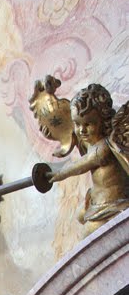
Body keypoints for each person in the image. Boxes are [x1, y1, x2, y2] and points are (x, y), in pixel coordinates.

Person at [48, 84, 129, 231]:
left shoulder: (104, 147)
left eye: (88, 124)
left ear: (103, 121)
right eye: (77, 124)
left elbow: (82, 164)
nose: (82, 130)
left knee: (87, 232)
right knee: (79, 215)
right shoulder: (88, 143)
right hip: (96, 199)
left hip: (113, 203)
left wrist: (60, 174)